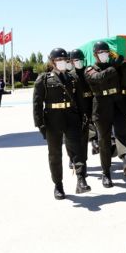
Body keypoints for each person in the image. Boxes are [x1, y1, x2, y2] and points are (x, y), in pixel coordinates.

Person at [33, 48, 90, 199]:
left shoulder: (72, 79)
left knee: (77, 149)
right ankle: (58, 185)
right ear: (53, 62)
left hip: (71, 118)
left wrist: (84, 117)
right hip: (52, 120)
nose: (62, 62)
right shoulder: (44, 79)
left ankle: (81, 179)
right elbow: (37, 104)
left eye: (64, 60)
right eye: (59, 60)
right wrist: (40, 125)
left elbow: (80, 101)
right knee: (55, 154)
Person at [85, 41, 126, 188]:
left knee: (122, 133)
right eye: (101, 52)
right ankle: (106, 173)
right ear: (95, 54)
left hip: (118, 104)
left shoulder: (114, 65)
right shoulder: (90, 69)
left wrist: (120, 61)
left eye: (106, 52)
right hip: (101, 107)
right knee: (104, 141)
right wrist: (114, 66)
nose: (104, 54)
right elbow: (98, 78)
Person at [68, 49, 93, 173]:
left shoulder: (88, 72)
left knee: (85, 138)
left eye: (81, 59)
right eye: (76, 60)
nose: (79, 62)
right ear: (72, 61)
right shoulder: (70, 76)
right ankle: (73, 158)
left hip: (89, 109)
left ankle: (83, 161)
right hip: (76, 112)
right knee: (76, 139)